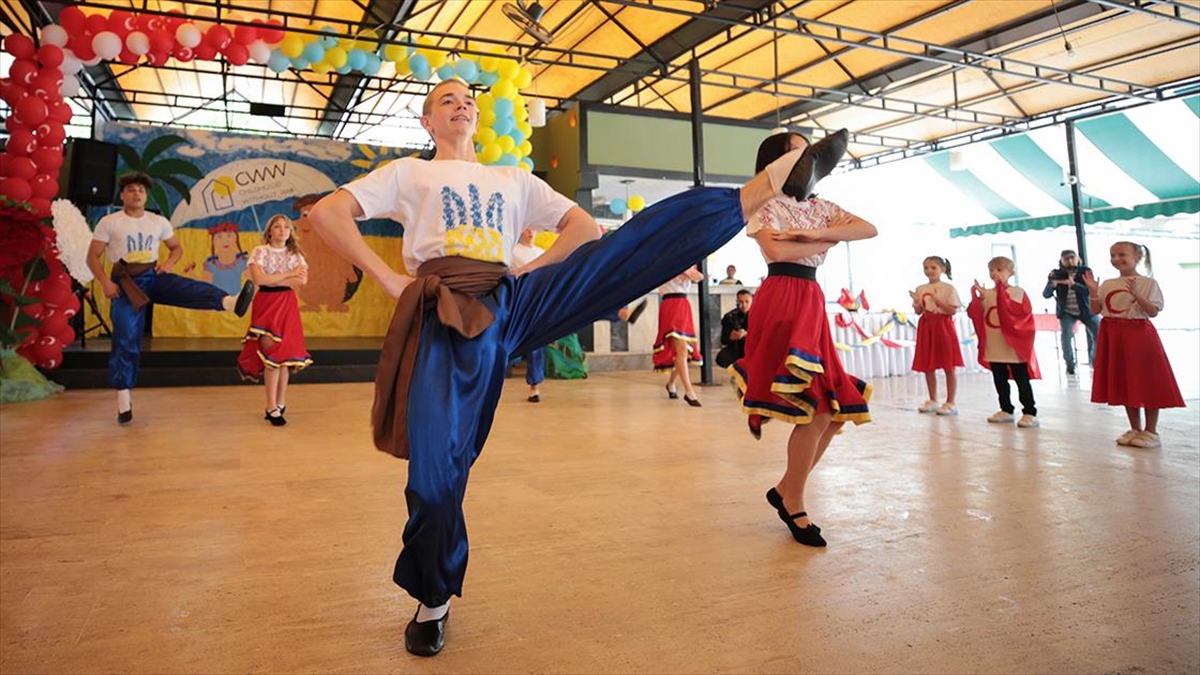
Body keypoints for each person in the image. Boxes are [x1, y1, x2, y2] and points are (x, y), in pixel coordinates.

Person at [306, 78, 827, 656]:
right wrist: (389, 278)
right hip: (444, 307)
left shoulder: (512, 179)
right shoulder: (408, 173)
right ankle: (434, 600)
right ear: (428, 122)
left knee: (618, 252)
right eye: (446, 100)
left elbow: (584, 228)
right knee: (435, 475)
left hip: (511, 297)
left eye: (468, 100)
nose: (462, 104)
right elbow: (329, 212)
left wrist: (531, 270)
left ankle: (762, 188)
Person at [731, 130, 876, 549]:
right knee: (817, 409)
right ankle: (793, 499)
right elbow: (777, 253)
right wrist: (831, 237)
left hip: (812, 298)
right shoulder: (764, 203)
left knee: (833, 411)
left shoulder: (821, 206)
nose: (807, 157)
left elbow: (868, 229)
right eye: (796, 151)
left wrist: (813, 236)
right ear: (774, 162)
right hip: (781, 297)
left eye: (807, 151)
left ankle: (786, 491)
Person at [86, 172, 255, 425]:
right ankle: (123, 398)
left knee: (186, 287)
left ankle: (229, 302)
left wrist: (168, 264)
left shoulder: (158, 221)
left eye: (141, 190)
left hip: (152, 276)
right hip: (125, 283)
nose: (136, 194)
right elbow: (92, 256)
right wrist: (105, 282)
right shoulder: (110, 222)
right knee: (125, 337)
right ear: (122, 195)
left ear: (146, 196)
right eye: (131, 190)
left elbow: (176, 247)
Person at [1082, 242, 1184, 448]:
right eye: (1113, 255)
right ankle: (1135, 428)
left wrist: (1138, 296)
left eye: (1122, 254)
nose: (1116, 259)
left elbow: (1153, 312)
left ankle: (1151, 431)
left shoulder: (1148, 283)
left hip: (1138, 334)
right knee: (1125, 380)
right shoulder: (1108, 283)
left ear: (1137, 257)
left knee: (1147, 381)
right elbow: (1096, 310)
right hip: (1113, 333)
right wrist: (1093, 291)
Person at [236, 214, 312, 425]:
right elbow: (259, 279)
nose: (282, 230)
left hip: (287, 304)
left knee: (284, 357)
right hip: (266, 304)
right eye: (277, 226)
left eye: (286, 227)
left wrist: (276, 279)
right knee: (271, 353)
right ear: (270, 231)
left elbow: (301, 280)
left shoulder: (295, 254)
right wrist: (288, 274)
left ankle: (280, 402)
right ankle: (270, 406)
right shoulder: (260, 252)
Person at [967, 256, 1041, 429]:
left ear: (1011, 272)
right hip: (994, 343)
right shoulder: (987, 294)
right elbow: (976, 314)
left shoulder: (1017, 292)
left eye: (999, 269)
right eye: (992, 270)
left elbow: (1020, 312)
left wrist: (1001, 292)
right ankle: (1006, 408)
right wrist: (978, 299)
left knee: (1021, 378)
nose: (995, 273)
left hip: (1013, 344)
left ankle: (1029, 411)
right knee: (999, 378)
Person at [909, 256, 963, 416]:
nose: (929, 271)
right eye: (926, 268)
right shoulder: (921, 288)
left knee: (948, 364)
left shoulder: (948, 288)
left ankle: (951, 401)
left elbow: (952, 310)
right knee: (928, 364)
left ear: (942, 269)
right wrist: (917, 302)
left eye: (933, 267)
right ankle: (933, 399)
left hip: (943, 326)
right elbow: (919, 311)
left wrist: (938, 300)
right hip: (927, 326)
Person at [653, 265, 705, 406]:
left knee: (683, 352)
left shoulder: (686, 262)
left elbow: (700, 277)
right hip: (670, 304)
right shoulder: (664, 263)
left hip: (683, 305)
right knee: (681, 348)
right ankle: (689, 391)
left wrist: (686, 271)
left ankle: (671, 384)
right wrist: (686, 272)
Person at [1042, 249, 1100, 375]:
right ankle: (1070, 365)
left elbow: (1089, 291)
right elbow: (1046, 295)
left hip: (1087, 309)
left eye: (1072, 258)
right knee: (1066, 336)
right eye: (1066, 258)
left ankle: (1095, 361)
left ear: (1077, 259)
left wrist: (1073, 285)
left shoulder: (1085, 271)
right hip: (1066, 311)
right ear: (1061, 260)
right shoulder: (1056, 274)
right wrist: (1052, 284)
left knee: (1099, 334)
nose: (1069, 261)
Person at [511, 227, 545, 402]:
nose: (531, 232)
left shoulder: (542, 253)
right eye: (527, 229)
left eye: (533, 229)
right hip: (517, 300)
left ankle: (534, 386)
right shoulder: (513, 251)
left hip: (537, 301)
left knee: (536, 343)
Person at [716, 288, 752, 368]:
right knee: (722, 357)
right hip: (737, 349)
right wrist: (731, 337)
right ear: (737, 302)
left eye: (747, 302)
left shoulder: (758, 316)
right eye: (741, 302)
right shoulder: (730, 317)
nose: (744, 305)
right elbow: (723, 340)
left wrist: (746, 335)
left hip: (752, 349)